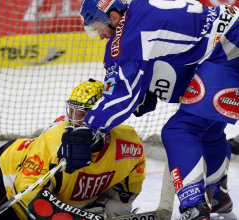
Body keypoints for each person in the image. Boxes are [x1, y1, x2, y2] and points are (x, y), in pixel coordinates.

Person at [56, 1, 239, 220]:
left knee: (180, 131)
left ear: (113, 17)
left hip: (229, 49)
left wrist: (90, 128)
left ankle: (194, 208)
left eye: (97, 28)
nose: (101, 36)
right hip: (229, 36)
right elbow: (178, 45)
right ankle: (216, 196)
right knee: (207, 130)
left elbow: (122, 95)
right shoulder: (139, 8)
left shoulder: (128, 37)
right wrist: (149, 89)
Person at [0, 79, 146, 220]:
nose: (76, 121)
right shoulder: (56, 142)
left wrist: (112, 206)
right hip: (2, 178)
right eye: (73, 112)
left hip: (22, 163)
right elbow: (28, 200)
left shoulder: (129, 143)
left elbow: (128, 187)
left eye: (83, 114)